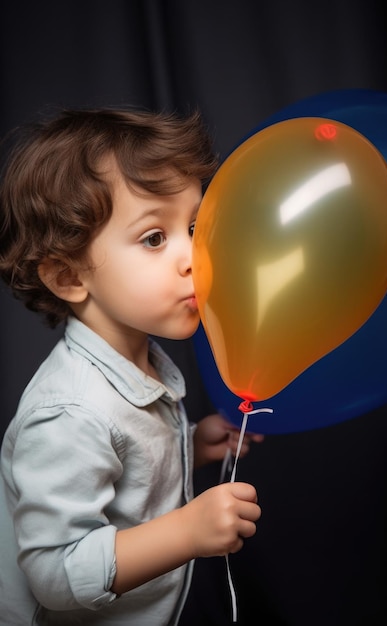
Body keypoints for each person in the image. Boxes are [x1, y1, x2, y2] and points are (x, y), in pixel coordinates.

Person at [0, 107, 263, 625]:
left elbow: (120, 472)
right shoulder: (69, 411)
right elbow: (55, 574)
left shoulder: (140, 363)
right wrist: (187, 532)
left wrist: (188, 446)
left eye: (194, 225)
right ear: (68, 277)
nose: (195, 256)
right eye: (154, 238)